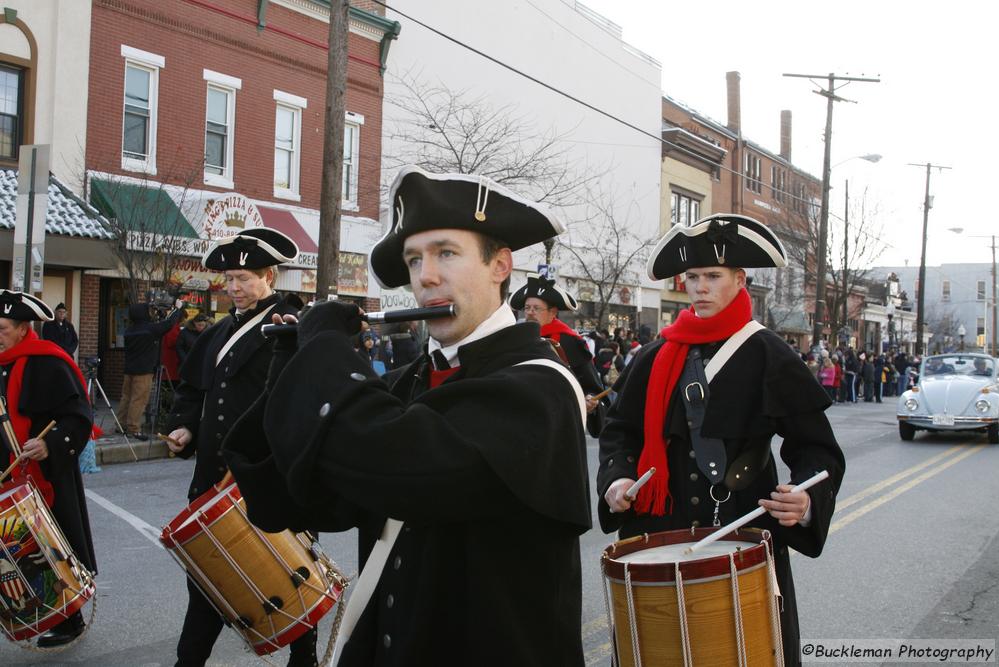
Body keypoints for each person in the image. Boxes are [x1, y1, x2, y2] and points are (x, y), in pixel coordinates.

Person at [222, 166, 591, 665]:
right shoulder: (411, 380)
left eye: (446, 253)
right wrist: (289, 366)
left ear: (500, 265)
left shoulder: (539, 387)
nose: (426, 276)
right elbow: (295, 501)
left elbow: (400, 466)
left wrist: (326, 352)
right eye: (414, 259)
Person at [598, 213, 845, 666]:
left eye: (713, 276)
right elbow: (620, 433)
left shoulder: (771, 353)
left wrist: (806, 499)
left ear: (739, 278)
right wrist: (617, 480)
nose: (701, 287)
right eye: (693, 277)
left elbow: (816, 448)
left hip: (743, 529)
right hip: (658, 533)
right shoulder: (653, 357)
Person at [163, 229, 317, 667]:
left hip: (268, 475)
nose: (235, 288)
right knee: (208, 577)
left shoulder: (292, 328)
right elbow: (195, 393)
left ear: (269, 276)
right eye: (230, 278)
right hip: (215, 476)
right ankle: (188, 660)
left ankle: (304, 660)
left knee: (290, 574)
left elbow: (300, 404)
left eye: (245, 278)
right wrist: (184, 429)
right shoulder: (219, 331)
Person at [0, 291, 96, 647]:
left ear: (24, 328)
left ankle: (69, 618)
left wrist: (49, 444)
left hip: (45, 471)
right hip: (6, 467)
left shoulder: (48, 362)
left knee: (50, 546)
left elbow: (79, 417)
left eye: (3, 328)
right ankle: (20, 611)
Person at [509, 272, 607, 436]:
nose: (530, 312)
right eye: (527, 308)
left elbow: (592, 387)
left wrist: (589, 401)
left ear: (552, 312)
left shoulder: (570, 342)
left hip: (559, 428)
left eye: (537, 308)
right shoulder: (517, 340)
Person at [117, 299, 184, 440]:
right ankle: (134, 429)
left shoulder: (130, 330)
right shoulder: (149, 329)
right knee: (139, 399)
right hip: (144, 370)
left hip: (129, 369)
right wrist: (177, 309)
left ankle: (121, 424)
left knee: (126, 398)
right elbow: (168, 324)